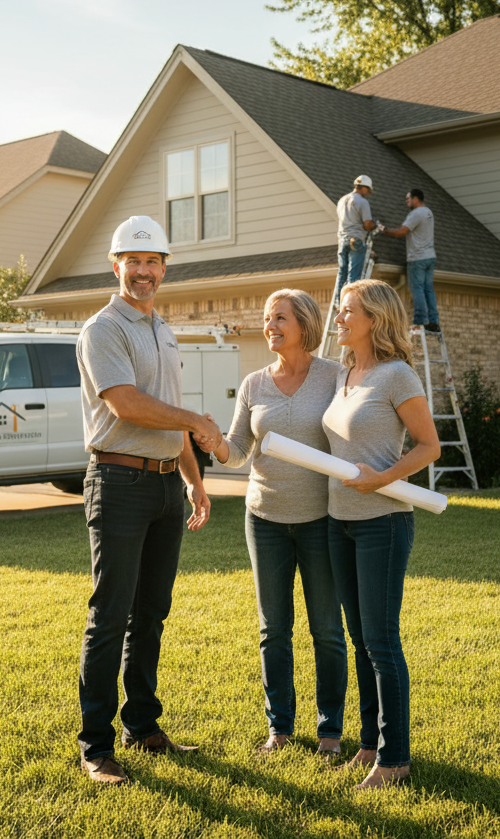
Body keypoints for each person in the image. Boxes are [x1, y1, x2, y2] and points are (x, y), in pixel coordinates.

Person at [76, 215, 223, 786]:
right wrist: (197, 422)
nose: (143, 272)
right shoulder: (102, 329)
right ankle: (95, 746)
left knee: (151, 614)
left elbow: (169, 418)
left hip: (165, 484)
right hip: (117, 484)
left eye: (152, 262)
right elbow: (127, 405)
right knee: (110, 616)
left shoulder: (162, 329)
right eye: (133, 262)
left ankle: (143, 725)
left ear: (164, 268)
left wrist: (193, 478)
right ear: (117, 266)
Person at [211, 289, 348, 757]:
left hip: (320, 519)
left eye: (280, 318)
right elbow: (237, 450)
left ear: (305, 324)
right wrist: (214, 442)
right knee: (274, 629)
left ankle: (330, 731)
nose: (270, 325)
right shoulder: (254, 384)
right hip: (264, 518)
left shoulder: (334, 376)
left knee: (327, 628)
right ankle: (280, 729)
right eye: (267, 318)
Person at [323, 278, 440, 789]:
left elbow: (428, 446)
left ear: (375, 318)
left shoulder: (396, 377)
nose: (339, 317)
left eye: (348, 311)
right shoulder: (347, 373)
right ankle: (370, 743)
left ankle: (395, 760)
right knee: (359, 639)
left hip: (383, 523)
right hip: (338, 520)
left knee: (381, 642)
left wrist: (382, 478)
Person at [379, 189, 438, 332]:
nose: (407, 202)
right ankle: (434, 322)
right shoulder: (428, 212)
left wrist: (383, 230)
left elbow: (402, 232)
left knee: (417, 288)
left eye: (408, 199)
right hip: (430, 256)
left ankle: (420, 320)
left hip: (417, 258)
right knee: (428, 290)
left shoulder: (416, 213)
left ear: (416, 199)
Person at [333, 175, 377, 306]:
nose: (367, 195)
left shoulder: (342, 200)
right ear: (364, 188)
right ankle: (350, 304)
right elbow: (367, 225)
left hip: (342, 241)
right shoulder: (362, 202)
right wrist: (376, 225)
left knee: (342, 272)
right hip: (356, 241)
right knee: (354, 276)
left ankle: (338, 302)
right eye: (368, 191)